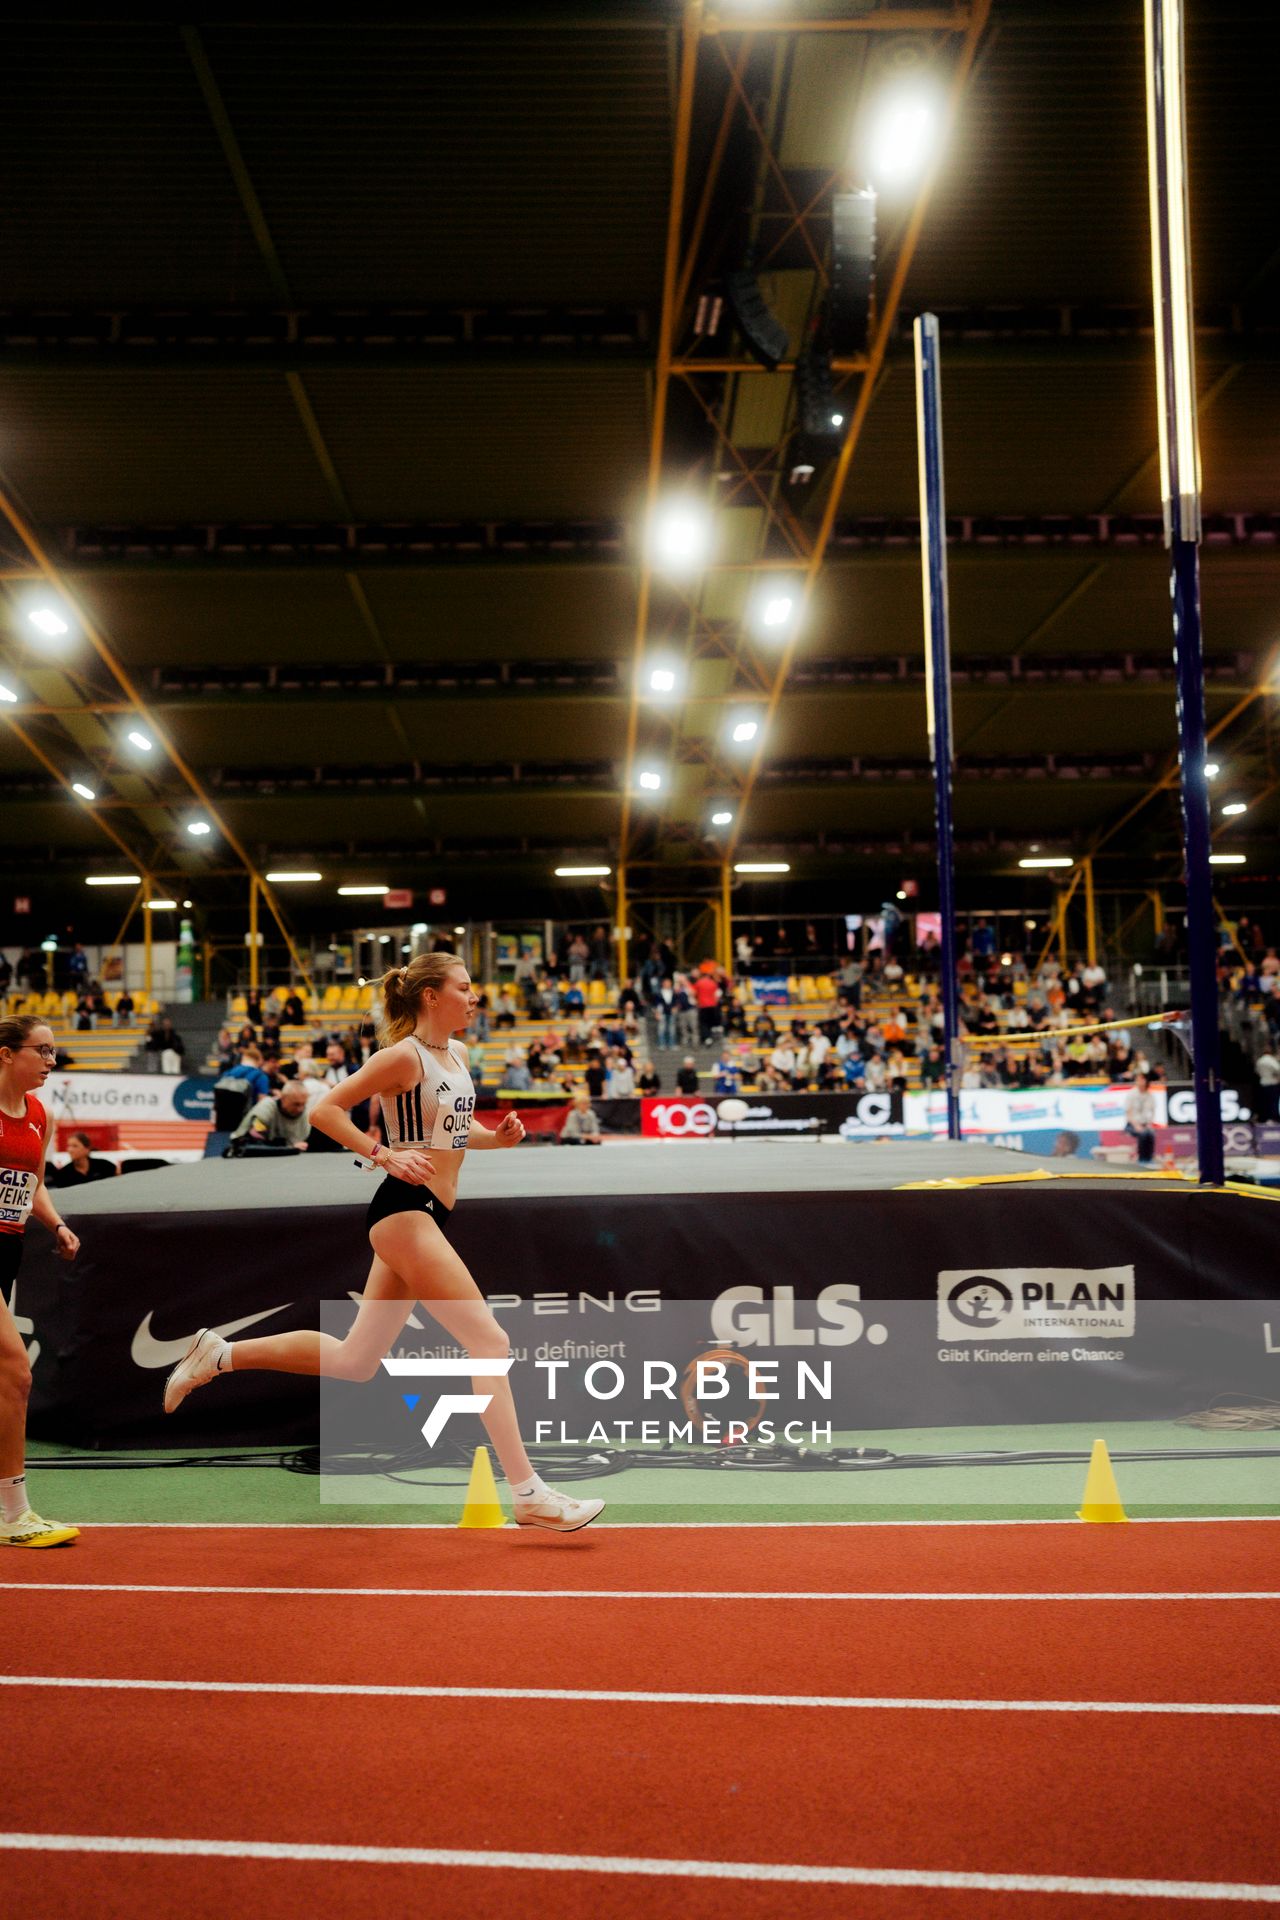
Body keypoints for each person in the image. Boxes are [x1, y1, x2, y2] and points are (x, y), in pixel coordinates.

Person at [164, 953, 603, 1532]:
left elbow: (451, 1131)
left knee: (356, 1360)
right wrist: (383, 1154)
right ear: (430, 996)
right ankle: (528, 1492)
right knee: (490, 1343)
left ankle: (219, 1353)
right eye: (464, 989)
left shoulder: (459, 1055)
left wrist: (496, 1140)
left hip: (427, 1213)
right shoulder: (401, 1056)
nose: (474, 998)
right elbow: (326, 1110)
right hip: (403, 1213)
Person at [0, 1016, 81, 1545]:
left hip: (7, 1250)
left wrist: (56, 1223)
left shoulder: (37, 1115)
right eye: (43, 1051)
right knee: (15, 1374)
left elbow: (32, 1184)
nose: (52, 1061)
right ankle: (14, 1514)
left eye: (55, 1052)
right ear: (6, 1054)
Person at [229, 1078, 312, 1152]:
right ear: (282, 1098)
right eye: (296, 1104)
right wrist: (290, 1148)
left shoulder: (305, 1113)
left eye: (303, 1104)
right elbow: (254, 1141)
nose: (300, 1109)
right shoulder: (266, 1108)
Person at [47, 1130, 116, 1188]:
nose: (70, 1150)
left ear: (87, 1149)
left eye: (75, 1146)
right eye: (68, 1146)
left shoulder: (105, 1166)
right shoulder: (64, 1174)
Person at [1124, 1073, 1157, 1165]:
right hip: (1132, 1125)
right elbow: (1128, 1114)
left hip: (1145, 1123)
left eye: (1142, 1079)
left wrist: (1149, 1124)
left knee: (1150, 1133)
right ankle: (1141, 1159)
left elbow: (1152, 1112)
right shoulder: (1131, 1094)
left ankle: (1149, 1158)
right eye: (1138, 1079)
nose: (1139, 1082)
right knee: (1142, 1134)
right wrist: (1136, 1126)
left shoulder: (1150, 1095)